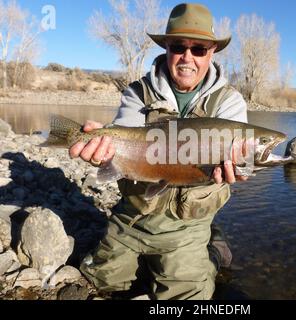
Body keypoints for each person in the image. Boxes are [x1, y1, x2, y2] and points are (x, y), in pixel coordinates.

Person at [70, 3, 248, 300]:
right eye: (179, 46)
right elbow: (123, 140)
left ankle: (213, 253)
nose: (187, 57)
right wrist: (100, 149)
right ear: (167, 46)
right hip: (131, 220)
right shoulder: (137, 93)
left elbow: (243, 161)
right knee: (98, 283)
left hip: (187, 228)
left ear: (212, 51)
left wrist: (240, 170)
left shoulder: (229, 103)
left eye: (199, 49)